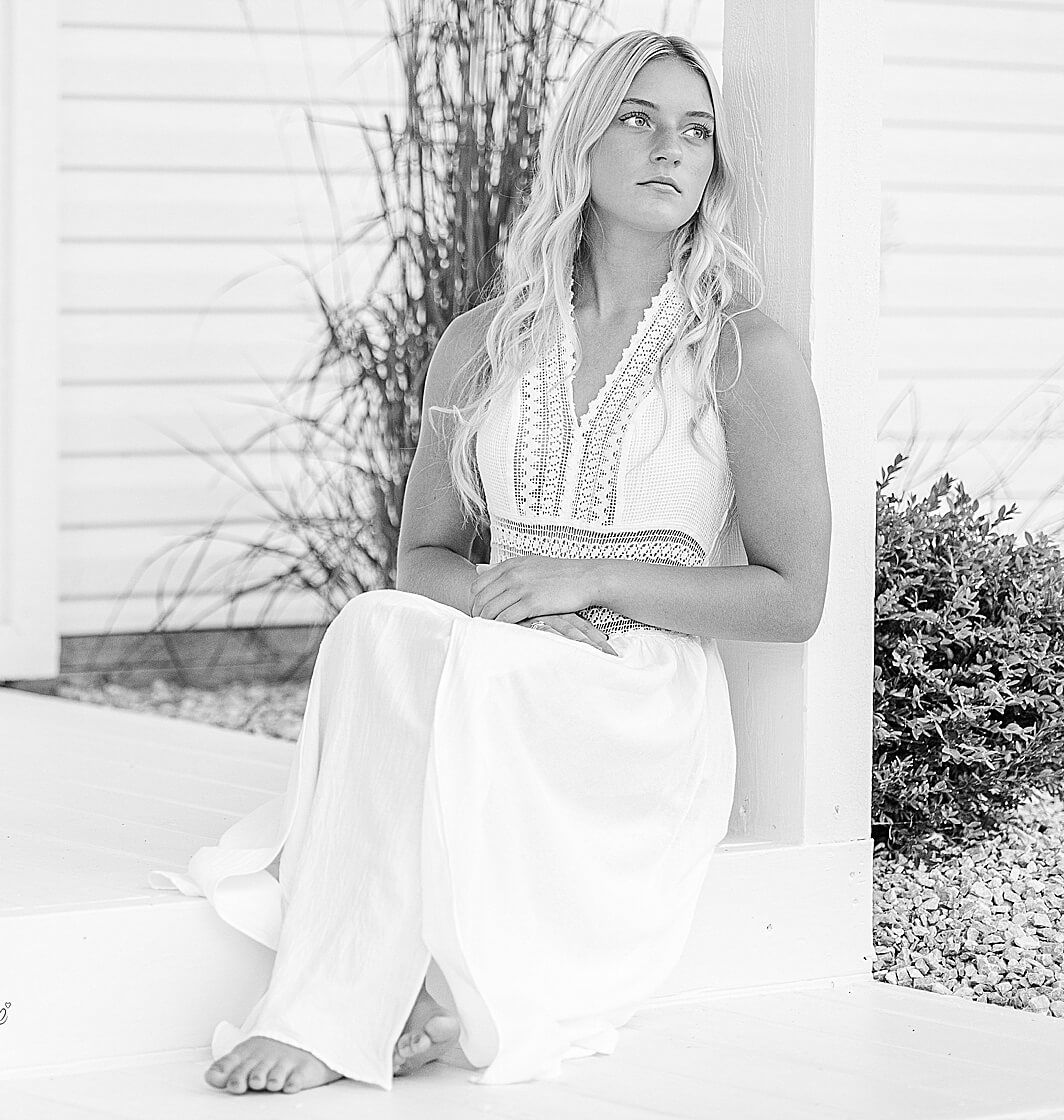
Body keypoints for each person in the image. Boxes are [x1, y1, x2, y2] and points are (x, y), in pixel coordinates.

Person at [147, 28, 832, 1096]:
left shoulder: (742, 350)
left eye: (694, 132)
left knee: (435, 660)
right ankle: (361, 998)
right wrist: (516, 608)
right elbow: (419, 557)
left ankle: (351, 1007)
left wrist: (585, 580)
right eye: (637, 120)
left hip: (631, 697)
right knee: (377, 624)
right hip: (498, 655)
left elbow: (793, 600)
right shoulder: (480, 340)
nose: (670, 151)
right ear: (579, 146)